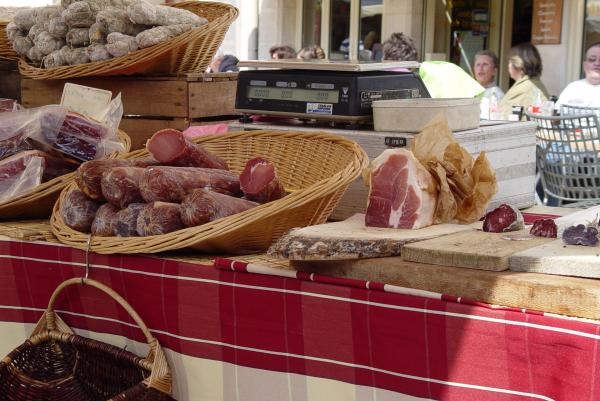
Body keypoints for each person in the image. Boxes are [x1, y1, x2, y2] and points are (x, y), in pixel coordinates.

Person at [499, 43, 549, 119]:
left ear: (517, 64)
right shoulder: (535, 84)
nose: (508, 65)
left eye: (509, 62)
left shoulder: (523, 88)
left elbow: (502, 118)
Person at [555, 42, 600, 109]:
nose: (597, 63)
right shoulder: (573, 87)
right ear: (584, 65)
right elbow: (556, 115)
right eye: (592, 59)